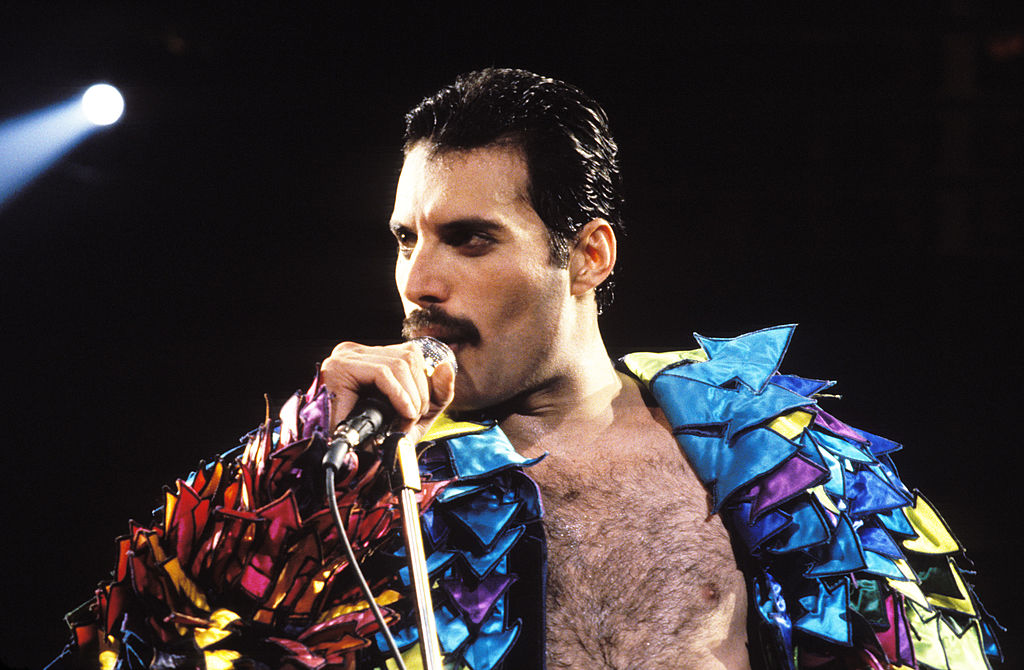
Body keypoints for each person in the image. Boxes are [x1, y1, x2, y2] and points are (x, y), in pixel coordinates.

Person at [51, 69, 1000, 670]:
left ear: (587, 255)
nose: (419, 281)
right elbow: (129, 639)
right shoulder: (359, 476)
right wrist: (294, 457)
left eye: (470, 239)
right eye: (406, 238)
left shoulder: (781, 458)